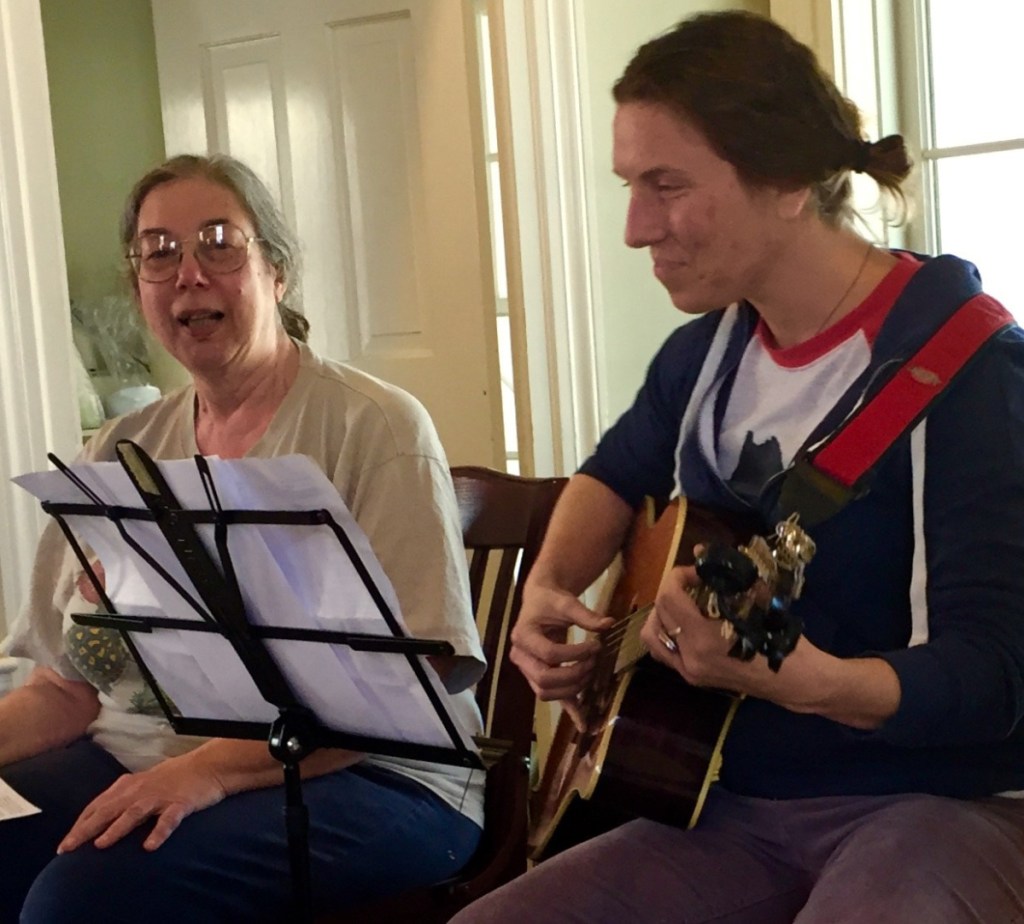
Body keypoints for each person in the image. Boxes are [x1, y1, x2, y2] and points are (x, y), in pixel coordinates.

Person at [451, 10, 1024, 924]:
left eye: (667, 185)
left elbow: (996, 679)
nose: (638, 227)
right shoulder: (704, 357)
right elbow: (611, 473)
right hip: (728, 805)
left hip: (939, 801)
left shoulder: (969, 373)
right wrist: (551, 589)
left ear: (788, 178)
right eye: (630, 186)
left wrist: (808, 683)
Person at [0, 153, 485, 922]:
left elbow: (408, 688)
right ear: (140, 290)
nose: (189, 272)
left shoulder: (376, 424)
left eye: (219, 242)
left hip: (380, 778)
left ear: (277, 272)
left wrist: (207, 773)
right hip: (150, 762)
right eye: (159, 253)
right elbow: (63, 689)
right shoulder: (117, 450)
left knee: (79, 904)